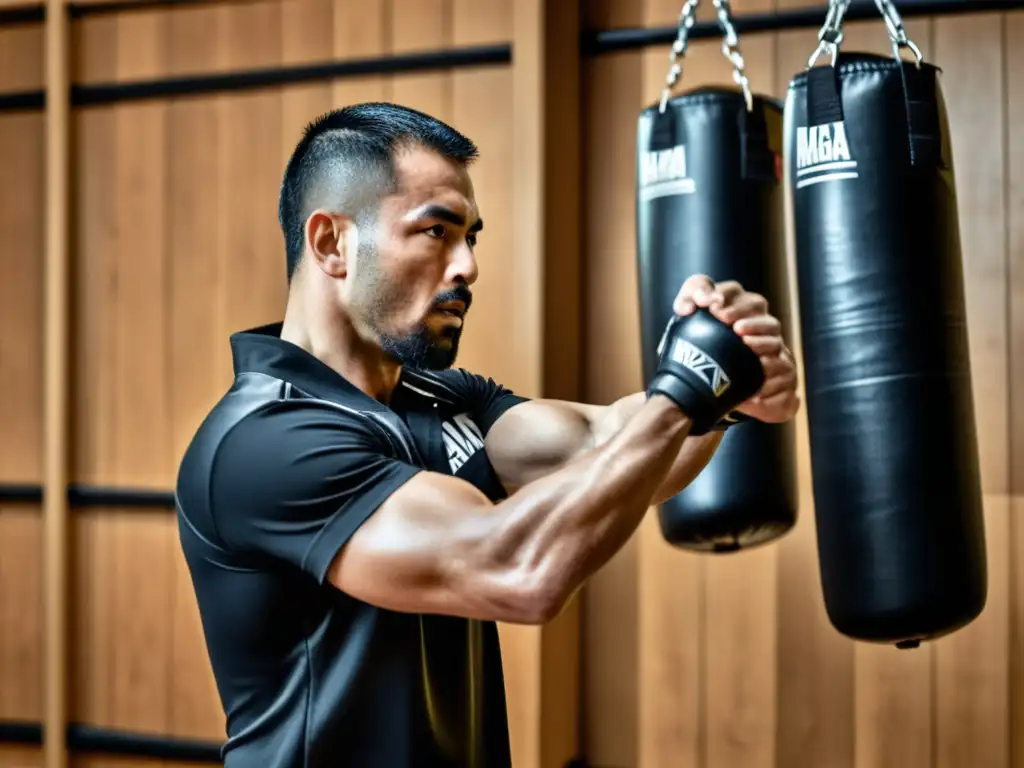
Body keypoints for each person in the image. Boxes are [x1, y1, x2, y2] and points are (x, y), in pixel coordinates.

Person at [175, 101, 800, 768]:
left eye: (472, 237)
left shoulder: (442, 398)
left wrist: (724, 395)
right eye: (437, 232)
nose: (468, 266)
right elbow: (513, 570)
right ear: (332, 243)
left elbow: (608, 440)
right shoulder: (264, 442)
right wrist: (687, 392)